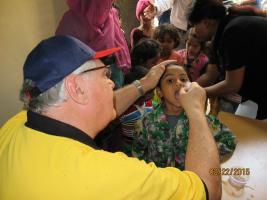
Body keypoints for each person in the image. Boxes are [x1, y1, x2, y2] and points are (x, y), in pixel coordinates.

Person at [0, 35, 221, 199]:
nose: (113, 82)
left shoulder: (15, 124)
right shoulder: (105, 175)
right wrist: (196, 112)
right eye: (105, 74)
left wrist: (144, 84)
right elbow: (207, 189)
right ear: (76, 89)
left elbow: (106, 106)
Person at [132, 62, 237, 170]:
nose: (179, 83)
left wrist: (206, 158)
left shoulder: (201, 120)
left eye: (183, 79)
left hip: (189, 182)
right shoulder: (145, 122)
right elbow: (138, 156)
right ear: (159, 92)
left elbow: (229, 140)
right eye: (170, 80)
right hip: (160, 182)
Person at [187, 0, 267, 119]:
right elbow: (210, 75)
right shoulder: (220, 34)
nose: (193, 30)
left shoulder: (232, 31)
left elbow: (232, 84)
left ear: (206, 23)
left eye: (194, 25)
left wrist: (199, 93)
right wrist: (189, 88)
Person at [56, 0, 130, 88]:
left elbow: (120, 49)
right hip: (82, 80)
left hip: (113, 75)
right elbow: (62, 54)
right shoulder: (70, 21)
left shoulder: (111, 15)